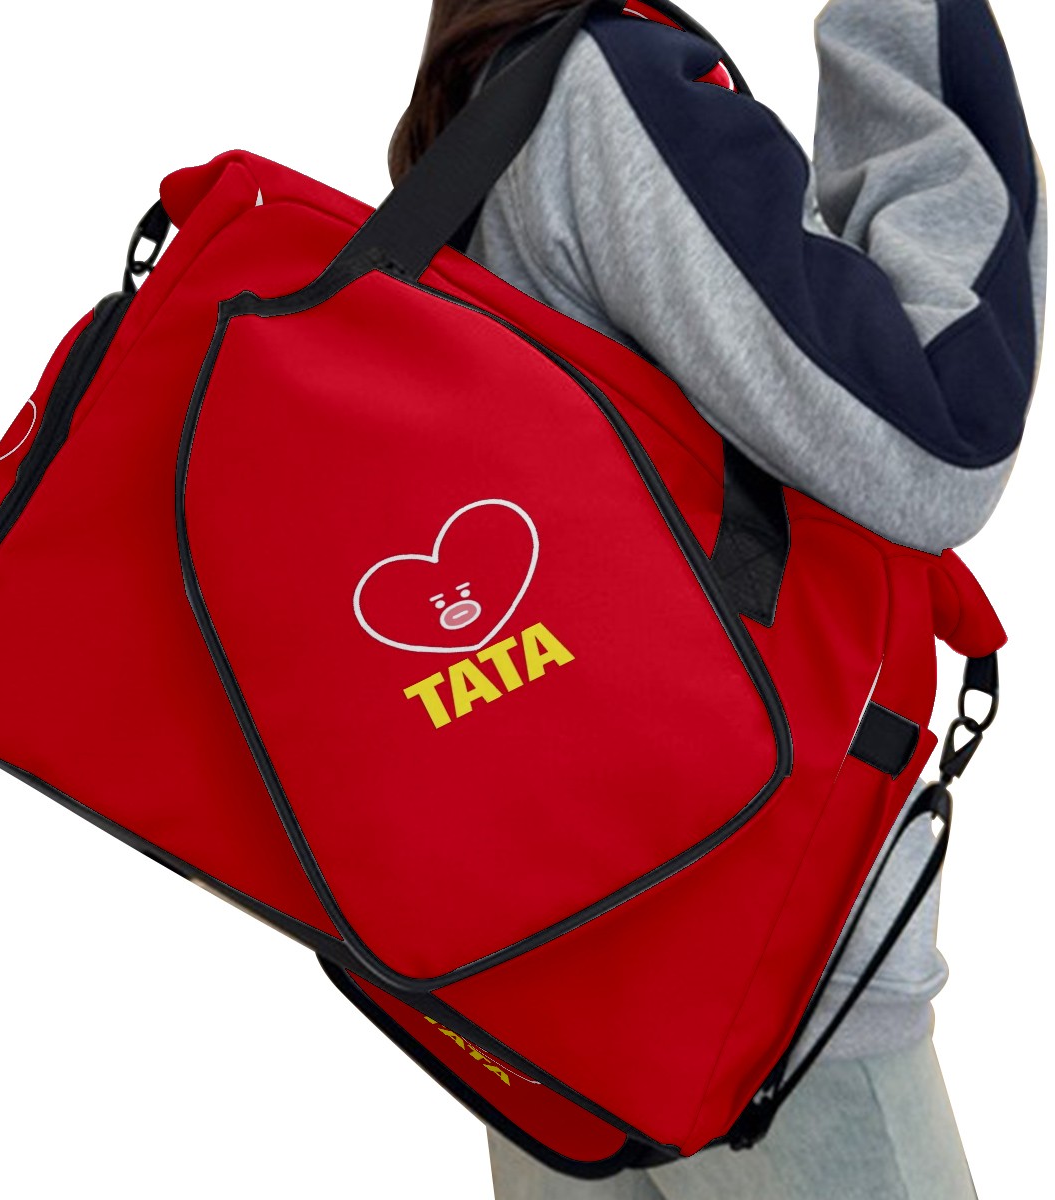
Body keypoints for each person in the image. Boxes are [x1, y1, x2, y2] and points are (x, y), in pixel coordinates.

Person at [388, 2, 1046, 1197]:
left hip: (536, 978)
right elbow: (940, 431)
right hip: (760, 993)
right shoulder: (611, 89)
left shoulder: (476, 128)